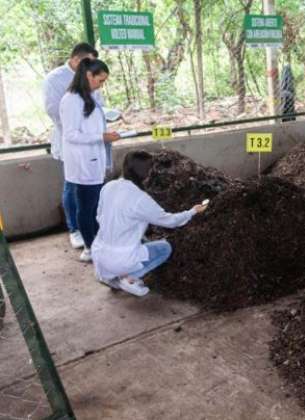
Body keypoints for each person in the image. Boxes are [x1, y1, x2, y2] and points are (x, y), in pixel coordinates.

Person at [92, 151, 208, 297]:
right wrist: (192, 212)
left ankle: (109, 276)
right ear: (145, 174)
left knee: (138, 239)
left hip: (99, 253)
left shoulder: (108, 187)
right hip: (120, 259)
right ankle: (129, 278)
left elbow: (99, 216)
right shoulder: (140, 199)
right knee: (164, 248)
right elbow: (170, 221)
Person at [60, 58, 120, 262]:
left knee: (94, 206)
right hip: (83, 163)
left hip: (93, 159)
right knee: (86, 207)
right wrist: (101, 137)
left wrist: (104, 134)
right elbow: (70, 134)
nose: (101, 85)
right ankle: (89, 248)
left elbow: (91, 126)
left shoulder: (89, 95)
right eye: (100, 80)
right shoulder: (71, 100)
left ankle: (97, 243)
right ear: (88, 75)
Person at [43, 43, 100, 250]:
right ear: (77, 59)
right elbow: (54, 111)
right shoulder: (55, 80)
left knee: (90, 186)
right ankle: (75, 229)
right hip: (71, 140)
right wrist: (82, 130)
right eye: (88, 63)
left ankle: (90, 227)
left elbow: (97, 102)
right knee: (72, 184)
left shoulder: (89, 76)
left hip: (92, 140)